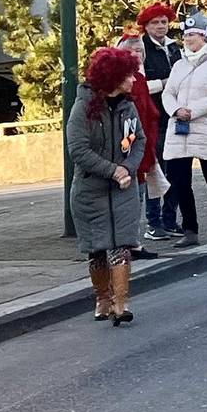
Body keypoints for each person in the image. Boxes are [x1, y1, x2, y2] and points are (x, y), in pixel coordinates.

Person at [69, 46, 150, 325]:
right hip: (91, 192)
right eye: (128, 75)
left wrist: (127, 169)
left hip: (123, 189)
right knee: (98, 247)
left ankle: (121, 302)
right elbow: (78, 150)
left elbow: (138, 140)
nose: (133, 80)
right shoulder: (83, 107)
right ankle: (102, 298)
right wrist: (112, 170)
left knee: (122, 245)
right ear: (113, 78)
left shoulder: (128, 106)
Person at [160, 15, 207, 247]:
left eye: (192, 35)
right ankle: (190, 229)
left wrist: (192, 111)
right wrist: (175, 110)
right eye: (185, 36)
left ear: (204, 37)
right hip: (179, 128)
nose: (187, 40)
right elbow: (168, 93)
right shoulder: (179, 65)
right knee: (180, 182)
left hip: (205, 127)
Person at [133, 3, 183, 241]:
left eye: (164, 22)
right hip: (154, 118)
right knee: (156, 171)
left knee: (176, 170)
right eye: (155, 23)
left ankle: (170, 219)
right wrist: (165, 82)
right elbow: (139, 85)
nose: (161, 26)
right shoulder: (141, 49)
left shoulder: (174, 48)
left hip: (174, 116)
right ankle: (154, 222)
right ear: (146, 26)